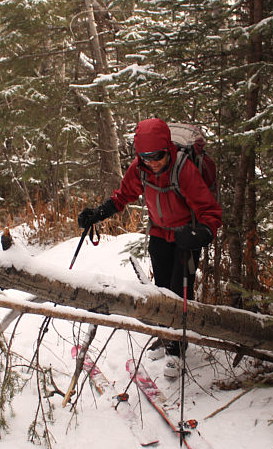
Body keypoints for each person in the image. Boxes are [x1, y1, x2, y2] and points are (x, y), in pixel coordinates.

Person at [77, 118, 222, 377]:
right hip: (158, 233)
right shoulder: (140, 168)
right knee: (164, 289)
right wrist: (97, 214)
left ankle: (177, 351)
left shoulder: (184, 169)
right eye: (146, 157)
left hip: (185, 236)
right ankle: (169, 337)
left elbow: (210, 211)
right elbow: (123, 195)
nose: (153, 162)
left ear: (168, 148)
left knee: (180, 292)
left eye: (158, 156)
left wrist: (201, 234)